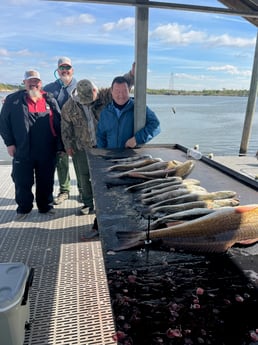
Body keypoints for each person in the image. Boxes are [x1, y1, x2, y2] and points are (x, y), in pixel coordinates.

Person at [61, 64, 135, 216]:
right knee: (83, 176)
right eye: (85, 101)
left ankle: (106, 201)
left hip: (104, 146)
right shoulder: (69, 106)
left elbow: (121, 86)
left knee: (105, 174)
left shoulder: (104, 95)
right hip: (82, 147)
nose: (88, 103)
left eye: (90, 99)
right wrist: (68, 146)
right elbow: (65, 128)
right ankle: (88, 203)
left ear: (95, 91)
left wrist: (132, 74)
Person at [0, 70, 63, 220]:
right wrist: (9, 144)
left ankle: (46, 206)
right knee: (22, 180)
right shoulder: (12, 100)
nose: (33, 84)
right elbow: (3, 123)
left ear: (40, 83)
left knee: (46, 180)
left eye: (36, 81)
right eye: (30, 81)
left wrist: (60, 146)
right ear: (24, 82)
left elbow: (59, 124)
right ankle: (24, 208)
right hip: (22, 149)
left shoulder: (50, 100)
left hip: (47, 149)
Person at [44, 57, 79, 205]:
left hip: (77, 132)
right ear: (57, 71)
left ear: (72, 70)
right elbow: (32, 95)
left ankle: (84, 191)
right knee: (61, 162)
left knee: (80, 163)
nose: (65, 71)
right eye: (62, 68)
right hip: (57, 131)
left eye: (67, 68)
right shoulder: (49, 88)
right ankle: (64, 190)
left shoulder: (80, 86)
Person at [96, 76, 160, 149]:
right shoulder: (105, 112)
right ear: (111, 91)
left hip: (132, 157)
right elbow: (101, 137)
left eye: (124, 91)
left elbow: (156, 125)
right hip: (110, 156)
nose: (121, 95)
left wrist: (136, 139)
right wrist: (101, 155)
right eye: (117, 91)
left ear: (129, 90)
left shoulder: (139, 108)